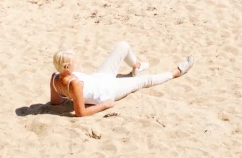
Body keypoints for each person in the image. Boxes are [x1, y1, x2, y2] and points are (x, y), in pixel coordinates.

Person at [49, 41, 192, 117]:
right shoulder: (75, 84)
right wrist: (104, 105)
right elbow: (81, 113)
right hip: (108, 91)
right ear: (67, 66)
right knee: (144, 81)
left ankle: (137, 67)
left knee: (122, 46)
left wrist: (68, 95)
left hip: (99, 78)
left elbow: (56, 102)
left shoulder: (54, 77)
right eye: (73, 62)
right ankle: (175, 73)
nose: (76, 63)